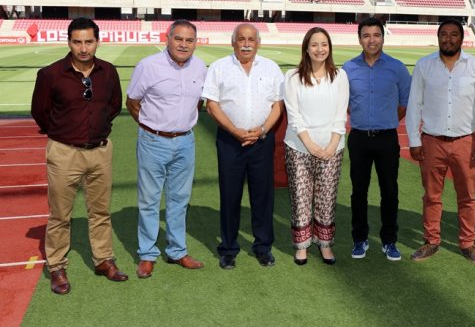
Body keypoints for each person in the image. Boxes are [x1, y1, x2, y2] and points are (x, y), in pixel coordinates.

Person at [31, 17, 128, 294]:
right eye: (77, 42)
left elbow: (113, 106)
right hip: (64, 153)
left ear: (97, 41)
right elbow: (40, 111)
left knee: (100, 211)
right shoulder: (50, 74)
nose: (83, 48)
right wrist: (65, 133)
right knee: (60, 214)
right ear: (69, 42)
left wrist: (95, 131)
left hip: (99, 151)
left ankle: (103, 260)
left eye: (88, 41)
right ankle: (57, 266)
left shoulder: (108, 72)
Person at [405, 18, 475, 263]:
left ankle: (468, 242)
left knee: (467, 196)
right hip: (432, 141)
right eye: (444, 34)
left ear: (462, 38)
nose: (449, 38)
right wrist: (414, 138)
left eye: (454, 34)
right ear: (438, 37)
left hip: (465, 141)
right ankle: (431, 241)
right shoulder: (424, 66)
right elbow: (414, 105)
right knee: (432, 195)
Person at [126, 19, 207, 278]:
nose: (184, 44)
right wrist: (152, 128)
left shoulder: (200, 67)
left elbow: (198, 104)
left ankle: (177, 251)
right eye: (179, 39)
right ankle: (147, 254)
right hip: (153, 141)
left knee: (179, 200)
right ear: (168, 38)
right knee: (149, 200)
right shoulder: (148, 66)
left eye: (189, 40)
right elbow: (132, 102)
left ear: (195, 43)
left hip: (185, 141)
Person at [202, 24, 284, 269]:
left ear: (258, 43)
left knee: (263, 197)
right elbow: (212, 104)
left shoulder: (271, 68)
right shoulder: (219, 67)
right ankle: (228, 249)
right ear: (233, 42)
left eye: (251, 39)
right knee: (230, 195)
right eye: (241, 39)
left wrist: (262, 130)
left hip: (261, 140)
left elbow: (278, 105)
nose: (246, 43)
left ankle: (263, 247)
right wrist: (234, 131)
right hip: (230, 141)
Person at [343, 17, 411, 261]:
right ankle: (359, 239)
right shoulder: (348, 69)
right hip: (359, 138)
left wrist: (386, 121)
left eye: (376, 35)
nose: (371, 40)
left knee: (389, 191)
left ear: (383, 37)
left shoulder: (397, 68)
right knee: (358, 192)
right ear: (359, 38)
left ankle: (389, 240)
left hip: (386, 139)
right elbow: (346, 103)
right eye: (366, 35)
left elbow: (405, 102)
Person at [284, 27, 349, 265]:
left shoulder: (340, 76)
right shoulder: (292, 77)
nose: (319, 49)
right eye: (314, 44)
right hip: (299, 147)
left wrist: (332, 145)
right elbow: (294, 115)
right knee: (300, 197)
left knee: (326, 198)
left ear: (329, 48)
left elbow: (340, 114)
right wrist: (310, 145)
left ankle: (325, 245)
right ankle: (302, 246)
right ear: (306, 48)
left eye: (324, 44)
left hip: (332, 147)